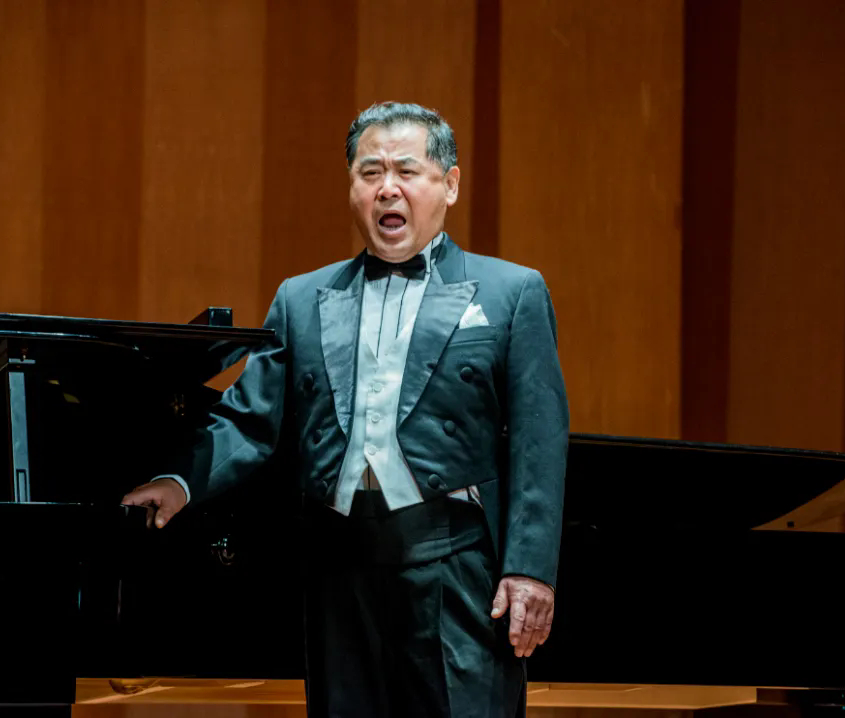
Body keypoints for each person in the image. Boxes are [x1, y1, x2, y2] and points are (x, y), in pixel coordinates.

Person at [122, 101, 569, 718]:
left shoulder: (512, 291)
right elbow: (250, 419)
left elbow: (539, 442)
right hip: (339, 569)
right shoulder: (302, 297)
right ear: (352, 187)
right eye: (370, 172)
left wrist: (530, 570)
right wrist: (180, 481)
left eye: (407, 171)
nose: (387, 188)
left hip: (455, 567)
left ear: (449, 184)